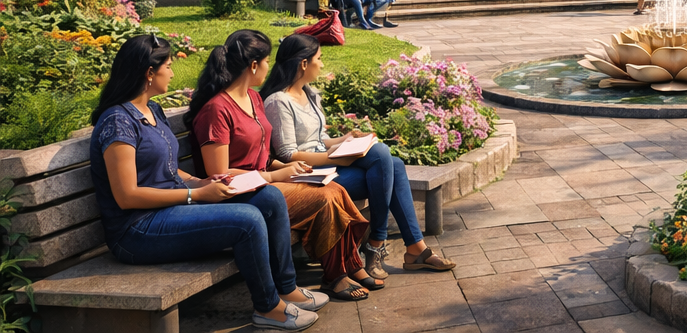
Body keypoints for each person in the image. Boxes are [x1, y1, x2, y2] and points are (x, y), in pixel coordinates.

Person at [89, 35, 326, 332]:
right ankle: (269, 308)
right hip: (137, 229)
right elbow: (127, 196)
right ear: (150, 73)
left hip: (170, 210)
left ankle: (286, 288)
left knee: (269, 198)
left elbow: (169, 170)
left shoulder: (153, 111)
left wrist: (203, 180)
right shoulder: (118, 122)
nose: (172, 72)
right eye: (168, 66)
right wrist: (196, 194)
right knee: (248, 221)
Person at [188, 30, 374, 303]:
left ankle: (345, 266)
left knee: (333, 190)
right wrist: (276, 174)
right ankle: (336, 274)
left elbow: (260, 155)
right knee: (325, 197)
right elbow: (220, 174)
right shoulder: (217, 110)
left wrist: (291, 167)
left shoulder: (252, 99)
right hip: (241, 192)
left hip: (265, 179)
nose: (269, 67)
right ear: (253, 65)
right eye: (266, 61)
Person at [263, 35, 455, 278]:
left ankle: (398, 247)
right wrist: (335, 158)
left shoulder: (309, 95)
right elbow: (287, 154)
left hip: (328, 167)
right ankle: (385, 245)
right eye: (319, 59)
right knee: (388, 162)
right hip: (308, 178)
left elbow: (319, 138)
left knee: (392, 165)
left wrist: (345, 139)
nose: (321, 65)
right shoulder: (278, 101)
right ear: (303, 64)